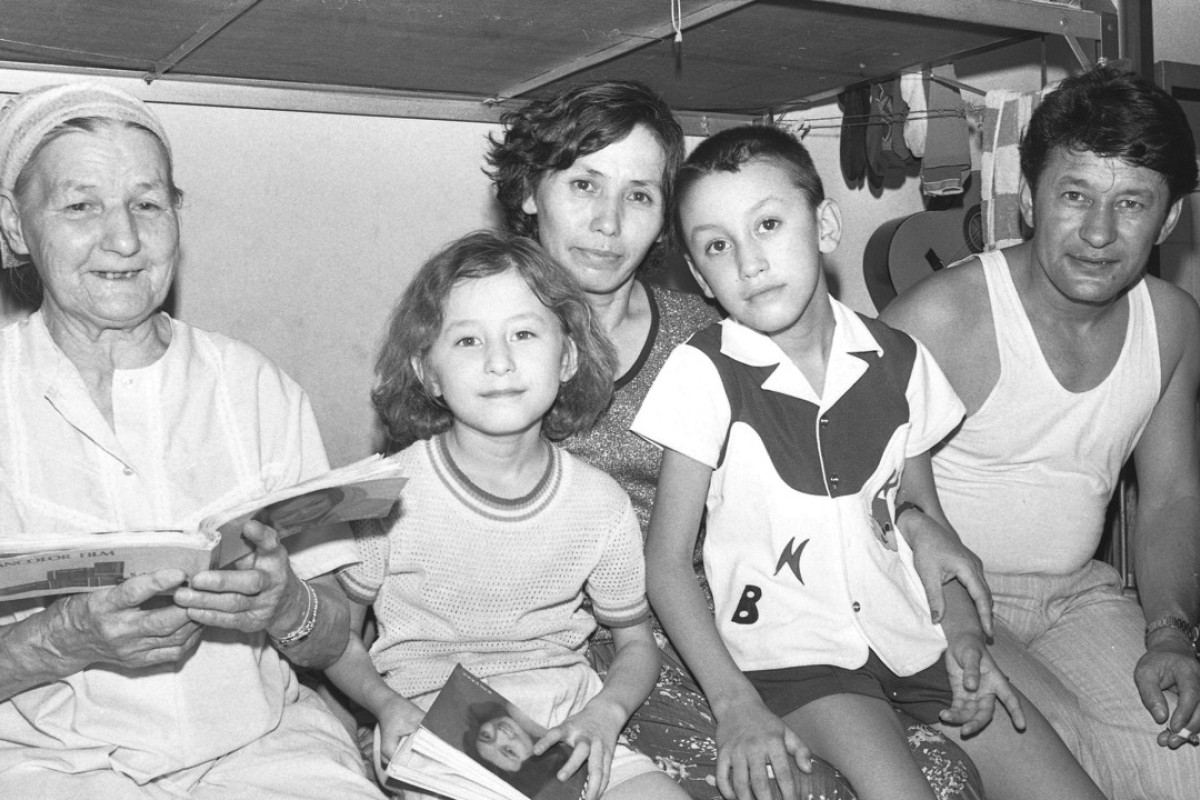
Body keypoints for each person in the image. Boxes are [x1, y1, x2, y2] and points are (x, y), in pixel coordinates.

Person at [487, 79, 988, 800]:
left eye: (637, 195)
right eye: (583, 185)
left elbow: (854, 456)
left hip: (728, 622)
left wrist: (916, 517)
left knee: (946, 773)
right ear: (531, 191)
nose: (607, 222)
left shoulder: (720, 330)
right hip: (565, 642)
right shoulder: (488, 341)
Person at [635, 125, 1106, 800]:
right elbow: (666, 562)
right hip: (796, 661)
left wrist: (967, 638)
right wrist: (733, 702)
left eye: (768, 223)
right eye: (717, 245)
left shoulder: (900, 358)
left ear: (824, 224)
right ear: (699, 275)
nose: (749, 261)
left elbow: (925, 526)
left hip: (914, 640)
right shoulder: (703, 372)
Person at [0, 82, 382, 799]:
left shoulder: (255, 388)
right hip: (43, 768)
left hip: (262, 751)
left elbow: (337, 637)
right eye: (81, 206)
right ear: (15, 227)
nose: (124, 238)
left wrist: (287, 605)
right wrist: (59, 641)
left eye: (148, 203)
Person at [881, 63, 1200, 800]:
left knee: (1181, 757)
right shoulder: (941, 318)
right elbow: (853, 500)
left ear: (1171, 219)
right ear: (1028, 198)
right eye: (1075, 195)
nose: (1098, 232)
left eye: (1132, 204)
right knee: (1070, 760)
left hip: (1078, 597)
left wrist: (1171, 634)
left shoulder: (1174, 323)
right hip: (941, 600)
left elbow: (1172, 497)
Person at [325, 230, 688, 800]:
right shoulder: (386, 496)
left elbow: (636, 644)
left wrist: (605, 714)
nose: (499, 361)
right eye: (467, 341)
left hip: (568, 724)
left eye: (523, 333)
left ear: (566, 357)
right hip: (430, 726)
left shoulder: (600, 504)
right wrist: (385, 707)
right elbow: (338, 635)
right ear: (427, 373)